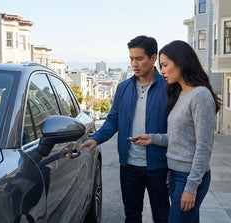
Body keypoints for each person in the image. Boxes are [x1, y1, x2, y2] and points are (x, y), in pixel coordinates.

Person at [78, 35, 170, 223]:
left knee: (162, 217)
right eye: (131, 59)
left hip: (159, 166)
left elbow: (176, 130)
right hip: (129, 166)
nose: (134, 64)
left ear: (153, 59)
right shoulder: (123, 88)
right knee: (131, 216)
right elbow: (113, 120)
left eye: (139, 59)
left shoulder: (169, 88)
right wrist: (96, 138)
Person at [132, 40, 221, 223]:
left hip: (189, 177)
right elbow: (179, 138)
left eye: (165, 65)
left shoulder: (200, 95)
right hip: (174, 175)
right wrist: (152, 138)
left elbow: (203, 147)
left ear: (181, 62)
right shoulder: (181, 93)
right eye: (161, 66)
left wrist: (191, 186)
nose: (162, 71)